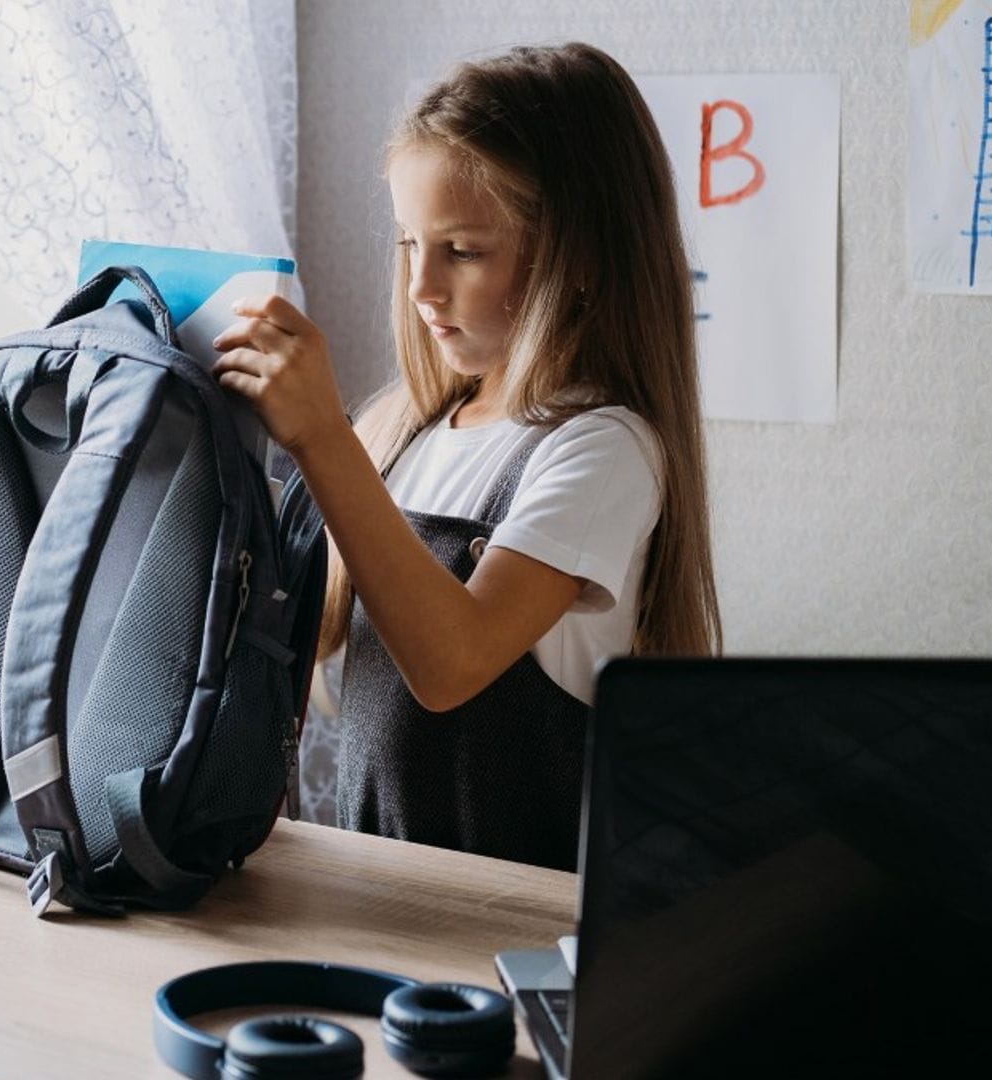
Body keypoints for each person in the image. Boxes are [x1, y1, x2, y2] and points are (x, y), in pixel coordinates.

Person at [212, 43, 720, 870]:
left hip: (515, 926)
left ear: (579, 260)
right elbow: (316, 658)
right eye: (410, 243)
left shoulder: (603, 450)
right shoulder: (403, 431)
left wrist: (321, 441)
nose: (422, 285)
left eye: (464, 250)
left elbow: (449, 664)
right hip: (389, 896)